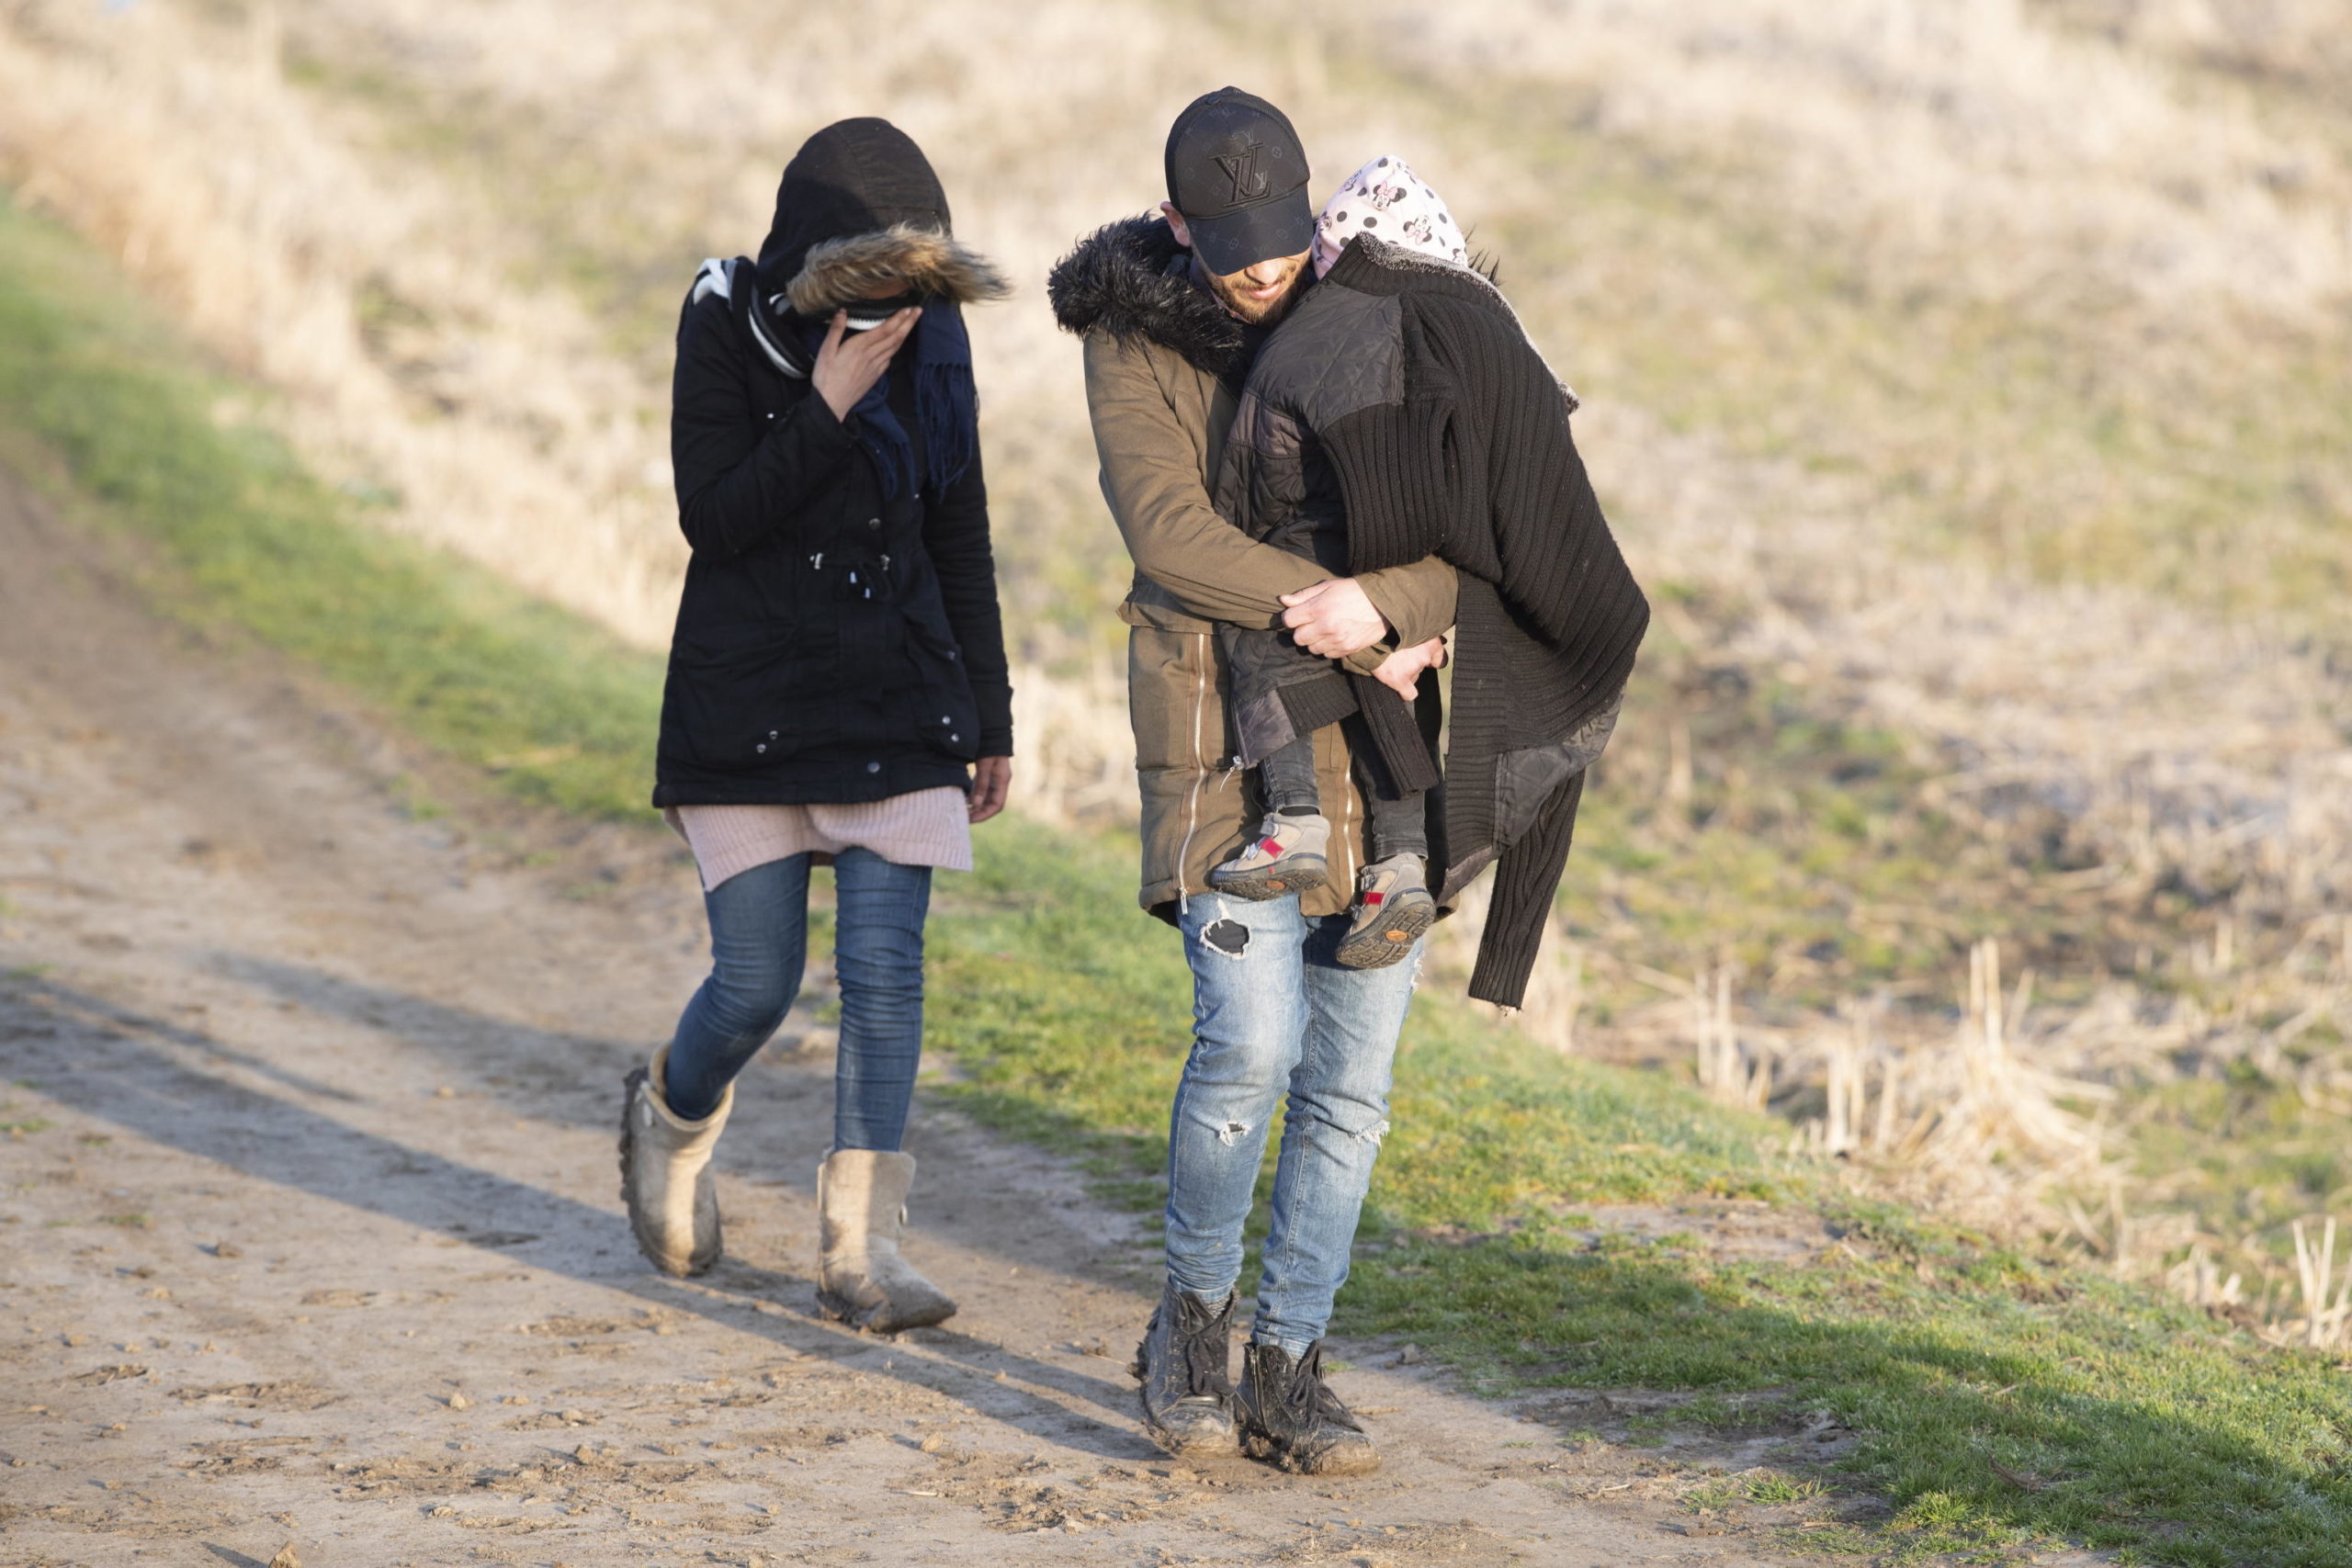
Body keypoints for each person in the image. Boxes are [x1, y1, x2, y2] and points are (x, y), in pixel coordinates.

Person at [1048, 87, 1460, 1476]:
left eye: (1285, 244)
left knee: (1352, 1084)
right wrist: (1346, 601)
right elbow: (1172, 533)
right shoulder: (1132, 337)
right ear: (1177, 226)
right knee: (1250, 1047)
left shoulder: (1372, 308)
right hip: (1224, 749)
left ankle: (1291, 1360)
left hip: (1383, 742)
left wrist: (1399, 604)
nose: (1265, 273)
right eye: (1233, 250)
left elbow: (1471, 515)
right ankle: (1193, 1324)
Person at [620, 118, 1015, 1337]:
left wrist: (990, 712)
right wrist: (828, 404)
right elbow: (716, 518)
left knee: (886, 973)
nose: (898, 300)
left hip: (897, 691)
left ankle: (862, 1250)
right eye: (872, 276)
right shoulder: (725, 319)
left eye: (915, 276)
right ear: (817, 255)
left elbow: (959, 526)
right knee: (756, 985)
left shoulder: (936, 336)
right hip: (748, 698)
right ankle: (670, 1121)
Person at [1199, 156, 1474, 967]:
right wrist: (1420, 610)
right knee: (1402, 681)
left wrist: (1242, 523)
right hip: (1413, 559)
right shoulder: (1459, 351)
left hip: (1315, 540)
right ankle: (1401, 864)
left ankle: (1292, 823)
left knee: (1274, 627)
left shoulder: (1308, 341)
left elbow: (1258, 467)